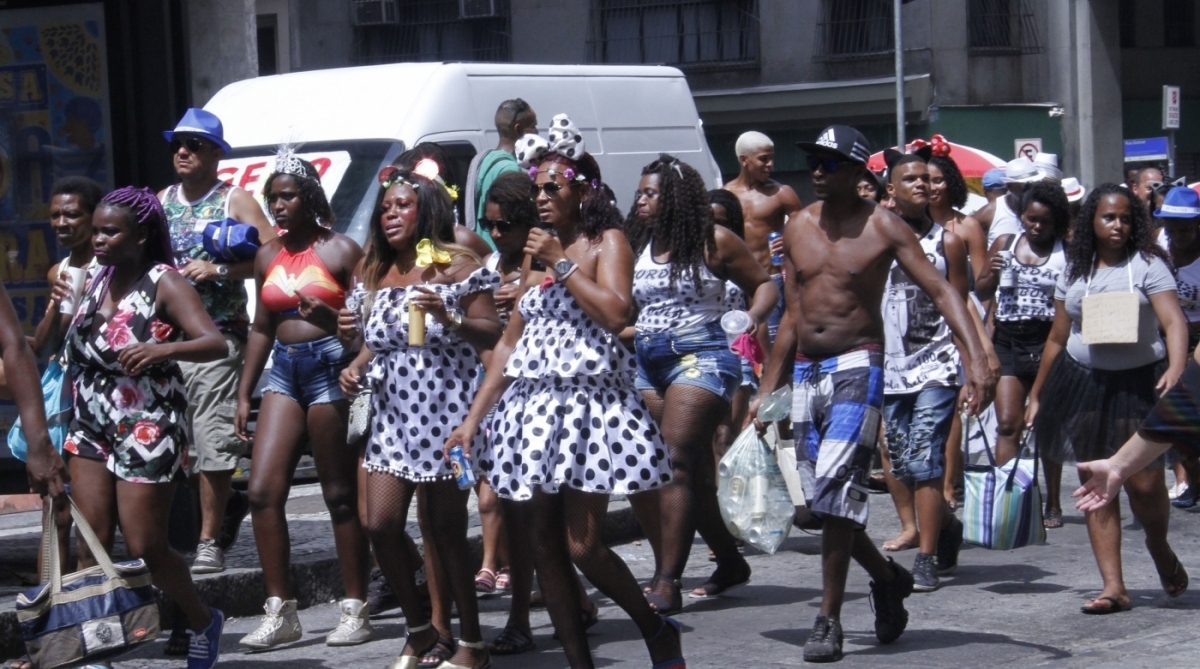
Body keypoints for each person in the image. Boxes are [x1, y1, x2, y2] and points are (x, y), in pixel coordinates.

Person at [752, 125, 993, 662]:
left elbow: (941, 290)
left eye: (830, 162)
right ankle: (887, 578)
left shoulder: (885, 227)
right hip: (808, 370)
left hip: (859, 363)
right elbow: (791, 314)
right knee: (818, 505)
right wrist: (768, 390)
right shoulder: (796, 227)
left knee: (838, 495)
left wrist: (976, 355)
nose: (817, 170)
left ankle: (828, 619)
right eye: (813, 159)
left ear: (861, 172)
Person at [449, 116, 683, 669]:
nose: (543, 195)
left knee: (582, 545)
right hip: (532, 409)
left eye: (554, 185)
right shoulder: (532, 253)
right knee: (543, 545)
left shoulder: (607, 242)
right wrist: (473, 419)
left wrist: (560, 261)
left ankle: (654, 628)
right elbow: (509, 344)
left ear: (584, 188)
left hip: (589, 407)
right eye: (537, 187)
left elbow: (618, 311)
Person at [339, 164, 503, 669]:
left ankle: (471, 644)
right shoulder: (373, 268)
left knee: (444, 531)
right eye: (385, 208)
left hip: (445, 416)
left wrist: (448, 316)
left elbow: (493, 337)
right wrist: (352, 354)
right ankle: (421, 630)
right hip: (392, 419)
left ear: (427, 208)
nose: (390, 215)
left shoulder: (456, 265)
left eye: (402, 205)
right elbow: (376, 343)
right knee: (380, 524)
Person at [61, 187, 229, 668]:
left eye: (109, 232)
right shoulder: (90, 278)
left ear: (140, 236)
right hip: (91, 414)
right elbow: (52, 344)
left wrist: (162, 349)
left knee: (144, 545)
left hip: (146, 421)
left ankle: (201, 619)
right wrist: (57, 308)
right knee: (89, 541)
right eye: (95, 230)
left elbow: (212, 341)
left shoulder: (166, 283)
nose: (98, 240)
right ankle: (96, 651)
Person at [623, 155, 776, 613]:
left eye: (651, 193)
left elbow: (765, 286)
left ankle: (666, 580)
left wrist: (749, 319)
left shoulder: (715, 242)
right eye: (640, 193)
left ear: (675, 198)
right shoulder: (637, 243)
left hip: (704, 354)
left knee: (674, 460)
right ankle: (730, 561)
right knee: (681, 471)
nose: (642, 200)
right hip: (646, 360)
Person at [1026, 183, 1188, 614]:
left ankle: (1158, 546)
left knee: (1146, 482)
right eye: (1108, 217)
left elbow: (1173, 322)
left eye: (1126, 218)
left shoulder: (1148, 264)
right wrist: (1037, 394)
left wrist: (1175, 367)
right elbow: (1057, 338)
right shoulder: (1075, 270)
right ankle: (1113, 586)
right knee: (1095, 482)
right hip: (1083, 383)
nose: (1118, 225)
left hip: (1140, 383)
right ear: (1091, 223)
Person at [231, 153, 372, 649]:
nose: (278, 205)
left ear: (310, 198)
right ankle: (280, 610)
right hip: (284, 371)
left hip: (331, 367)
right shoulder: (267, 255)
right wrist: (244, 390)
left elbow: (368, 327)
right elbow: (261, 326)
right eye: (273, 198)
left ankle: (355, 607)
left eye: (287, 195)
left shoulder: (341, 251)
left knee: (338, 495)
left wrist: (332, 314)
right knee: (262, 491)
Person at [158, 108, 274, 576]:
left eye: (194, 145)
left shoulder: (235, 200)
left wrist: (221, 268)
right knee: (172, 443)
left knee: (213, 441)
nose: (183, 152)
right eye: (177, 145)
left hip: (218, 338)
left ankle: (208, 540)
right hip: (165, 342)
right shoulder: (159, 202)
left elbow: (273, 257)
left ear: (215, 154)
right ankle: (224, 509)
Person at [874, 149, 968, 591]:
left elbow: (960, 305)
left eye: (926, 179)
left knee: (927, 457)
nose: (921, 185)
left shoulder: (947, 241)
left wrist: (975, 364)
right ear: (890, 190)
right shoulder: (873, 236)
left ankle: (927, 556)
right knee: (900, 457)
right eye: (909, 179)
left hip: (936, 363)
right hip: (889, 368)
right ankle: (945, 525)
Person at [976, 182, 1070, 528]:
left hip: (1047, 341)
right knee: (1007, 424)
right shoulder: (1005, 243)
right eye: (1031, 219)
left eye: (1044, 221)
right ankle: (1008, 500)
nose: (1037, 227)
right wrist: (993, 269)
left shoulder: (1066, 252)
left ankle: (1054, 503)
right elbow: (981, 287)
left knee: (1046, 426)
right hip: (1008, 339)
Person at [927, 152, 990, 509]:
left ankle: (949, 485)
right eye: (927, 180)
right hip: (917, 323)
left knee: (953, 406)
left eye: (940, 180)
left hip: (961, 315)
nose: (933, 187)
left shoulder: (966, 227)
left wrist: (984, 338)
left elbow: (980, 287)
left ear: (951, 184)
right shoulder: (902, 227)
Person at [722, 131, 802, 341]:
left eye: (771, 158)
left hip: (770, 278)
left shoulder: (782, 193)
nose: (770, 165)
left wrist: (787, 240)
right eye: (763, 159)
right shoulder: (726, 195)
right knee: (739, 345)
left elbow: (804, 230)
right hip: (735, 283)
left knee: (773, 343)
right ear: (744, 160)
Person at [1154, 185, 1200, 508]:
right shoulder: (1157, 245)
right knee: (1168, 407)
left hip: (1197, 341)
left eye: (1185, 228)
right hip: (1164, 339)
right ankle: (1184, 479)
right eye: (1172, 227)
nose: (1178, 235)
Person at [32, 177, 104, 358]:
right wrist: (56, 305)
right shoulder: (57, 272)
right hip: (69, 376)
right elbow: (45, 347)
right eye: (55, 215)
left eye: (72, 215)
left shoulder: (109, 268)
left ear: (95, 216)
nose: (61, 223)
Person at [463, 98, 538, 245]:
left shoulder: (482, 160)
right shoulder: (510, 169)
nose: (537, 131)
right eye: (533, 126)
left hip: (482, 248)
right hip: (498, 250)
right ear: (518, 129)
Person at [970, 157, 1042, 251]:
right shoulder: (992, 211)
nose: (1030, 190)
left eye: (1032, 185)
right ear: (1009, 186)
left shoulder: (1044, 209)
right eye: (1024, 186)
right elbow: (965, 237)